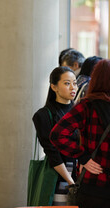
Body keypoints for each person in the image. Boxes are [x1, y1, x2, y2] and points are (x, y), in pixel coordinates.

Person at [50, 59, 110, 208]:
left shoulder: (87, 106)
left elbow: (57, 135)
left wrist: (83, 157)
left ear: (96, 80)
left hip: (93, 185)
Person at [32, 66, 78, 205]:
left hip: (80, 176)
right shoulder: (44, 115)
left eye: (75, 83)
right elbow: (52, 152)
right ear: (54, 87)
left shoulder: (79, 112)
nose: (73, 88)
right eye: (67, 83)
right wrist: (71, 182)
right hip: (59, 177)